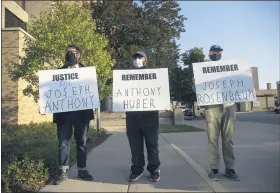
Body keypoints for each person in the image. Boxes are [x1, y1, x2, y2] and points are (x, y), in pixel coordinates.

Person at [53, 44, 94, 185]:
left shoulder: (87, 72)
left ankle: (82, 169)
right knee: (63, 144)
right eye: (67, 52)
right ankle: (63, 171)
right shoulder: (57, 73)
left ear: (79, 55)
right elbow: (51, 93)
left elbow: (92, 92)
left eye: (73, 52)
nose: (69, 54)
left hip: (82, 115)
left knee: (82, 143)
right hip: (64, 116)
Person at [204, 45, 241, 181]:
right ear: (209, 53)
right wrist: (194, 83)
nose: (216, 54)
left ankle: (230, 168)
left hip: (228, 105)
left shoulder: (229, 68)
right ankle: (214, 169)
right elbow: (197, 88)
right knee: (212, 139)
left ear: (222, 53)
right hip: (212, 106)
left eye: (218, 52)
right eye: (213, 52)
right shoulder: (202, 69)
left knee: (228, 140)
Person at [125, 51, 161, 182]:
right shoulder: (126, 76)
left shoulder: (154, 75)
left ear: (146, 60)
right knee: (135, 146)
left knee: (152, 145)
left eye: (140, 57)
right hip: (132, 117)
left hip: (150, 117)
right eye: (135, 57)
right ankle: (137, 169)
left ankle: (154, 169)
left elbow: (160, 92)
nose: (137, 60)